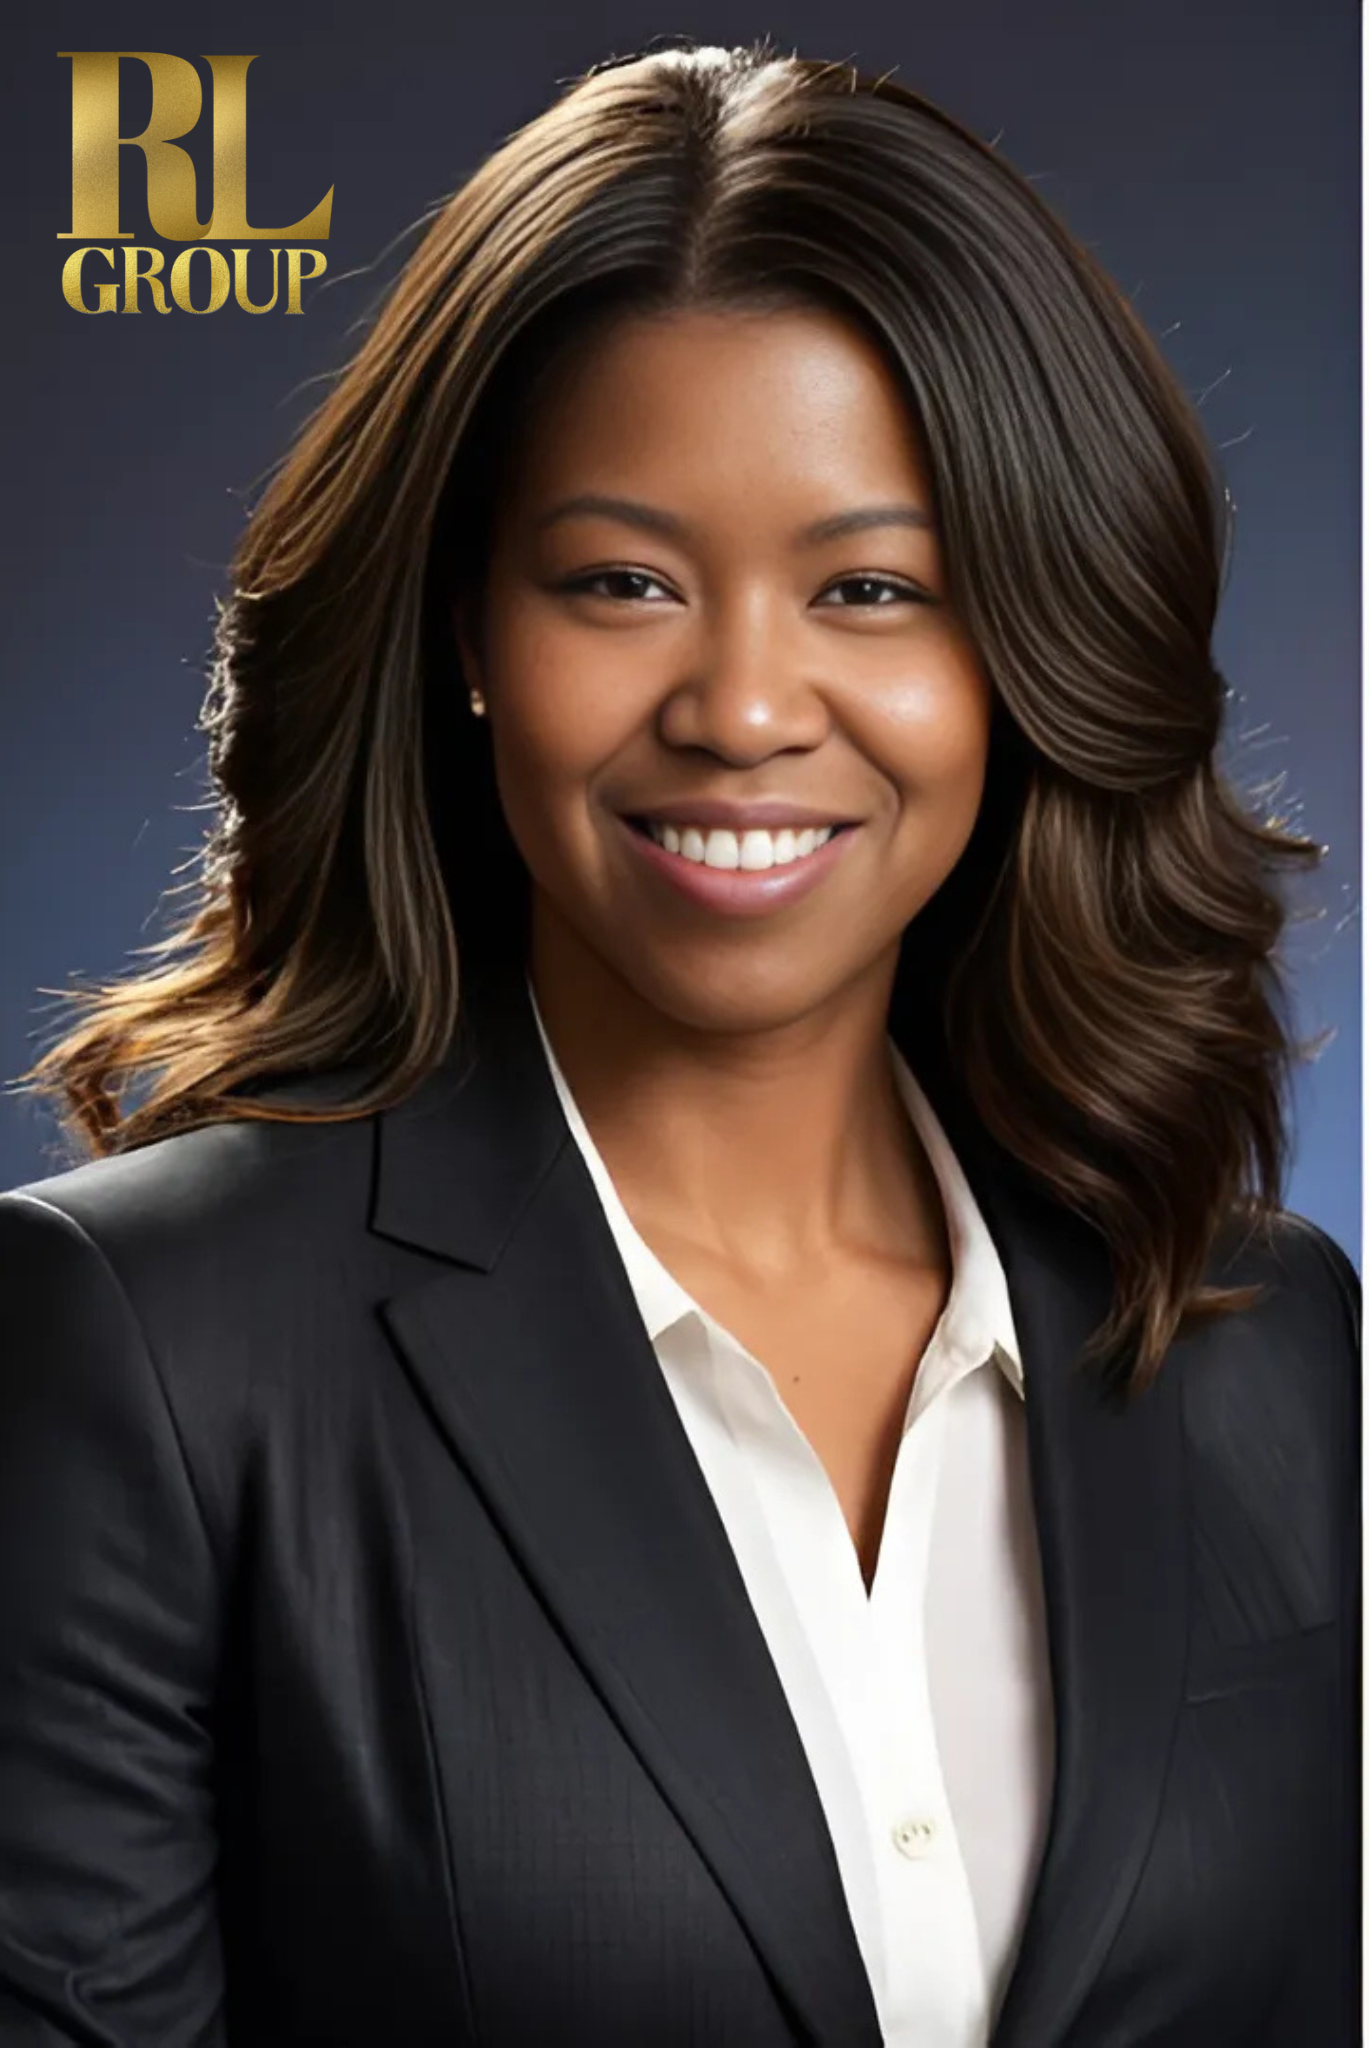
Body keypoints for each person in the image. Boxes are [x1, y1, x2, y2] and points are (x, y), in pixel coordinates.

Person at [0, 38, 1358, 2048]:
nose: (740, 704)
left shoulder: (1267, 1337)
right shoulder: (146, 1349)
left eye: (872, 586)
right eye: (622, 581)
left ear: (1030, 645)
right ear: (469, 633)